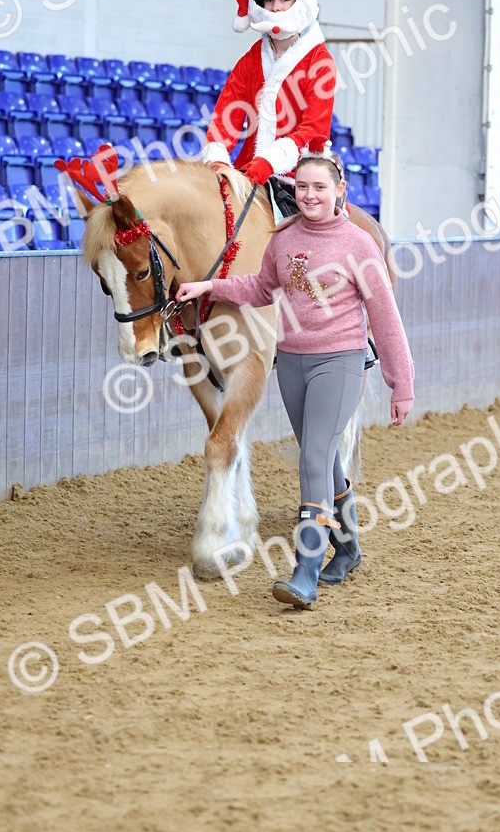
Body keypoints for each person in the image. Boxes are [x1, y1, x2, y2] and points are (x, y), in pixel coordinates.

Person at [176, 137, 415, 611]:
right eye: (302, 186)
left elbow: (385, 317)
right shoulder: (283, 238)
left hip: (338, 362)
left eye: (319, 187)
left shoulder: (358, 243)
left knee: (312, 458)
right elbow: (259, 287)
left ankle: (305, 571)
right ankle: (347, 547)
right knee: (325, 461)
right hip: (292, 363)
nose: (309, 195)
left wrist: (400, 381)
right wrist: (208, 286)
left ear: (339, 189)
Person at [200, 0, 336, 207]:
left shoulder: (320, 62)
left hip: (301, 177)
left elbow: (314, 129)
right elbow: (226, 117)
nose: (275, 7)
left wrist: (270, 162)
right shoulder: (249, 61)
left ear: (300, 0)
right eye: (269, 0)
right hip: (249, 172)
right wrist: (218, 158)